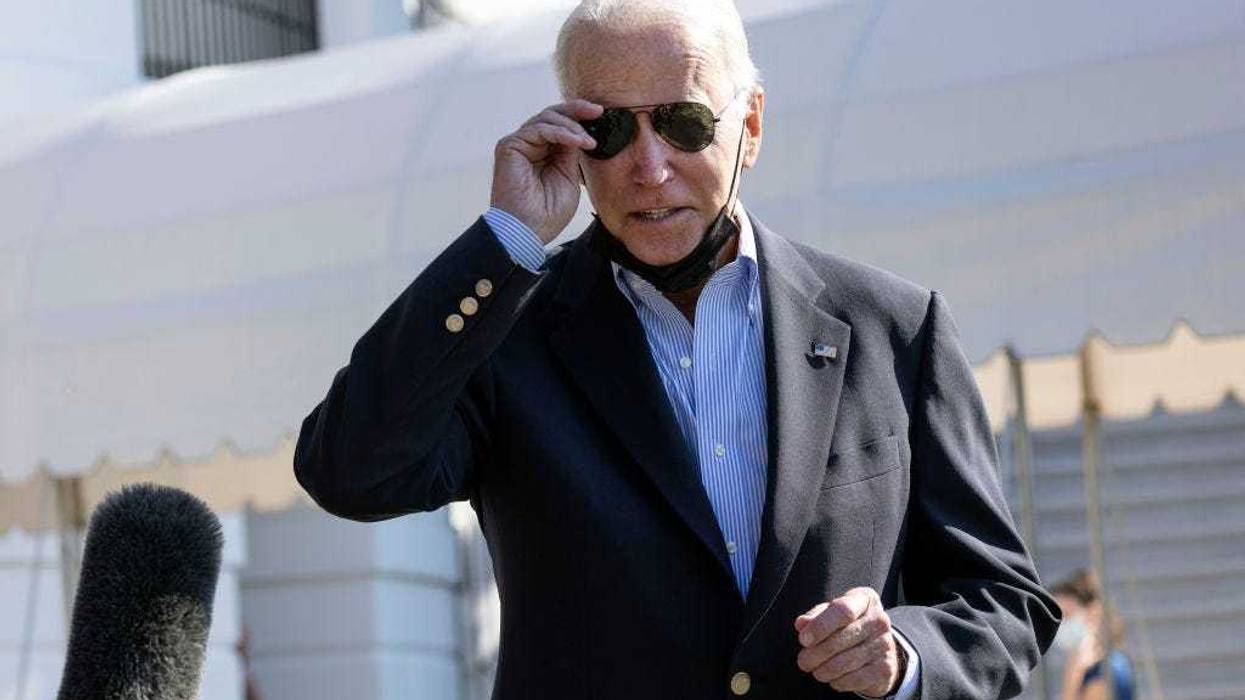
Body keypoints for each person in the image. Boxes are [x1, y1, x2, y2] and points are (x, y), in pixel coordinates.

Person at [293, 1, 1061, 697]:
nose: (648, 167)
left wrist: (902, 656)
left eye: (685, 124)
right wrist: (505, 242)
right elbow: (347, 470)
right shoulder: (505, 330)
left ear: (750, 126)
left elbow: (1004, 601)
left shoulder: (894, 327)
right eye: (610, 129)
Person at [1052, 570, 1136, 700]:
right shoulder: (1089, 665)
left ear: (1092, 612)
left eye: (1067, 615)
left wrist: (1074, 677)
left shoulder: (1104, 669)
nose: (1061, 625)